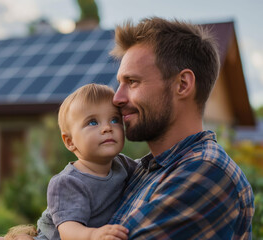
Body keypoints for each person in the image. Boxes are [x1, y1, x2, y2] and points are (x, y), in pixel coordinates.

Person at [108, 17, 254, 239]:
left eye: (132, 82)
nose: (117, 98)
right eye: (120, 83)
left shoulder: (207, 172)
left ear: (183, 85)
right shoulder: (143, 170)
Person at [0, 83, 137, 240]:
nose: (107, 128)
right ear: (70, 142)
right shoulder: (67, 182)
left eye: (114, 119)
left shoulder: (123, 165)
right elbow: (68, 231)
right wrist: (94, 234)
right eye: (93, 122)